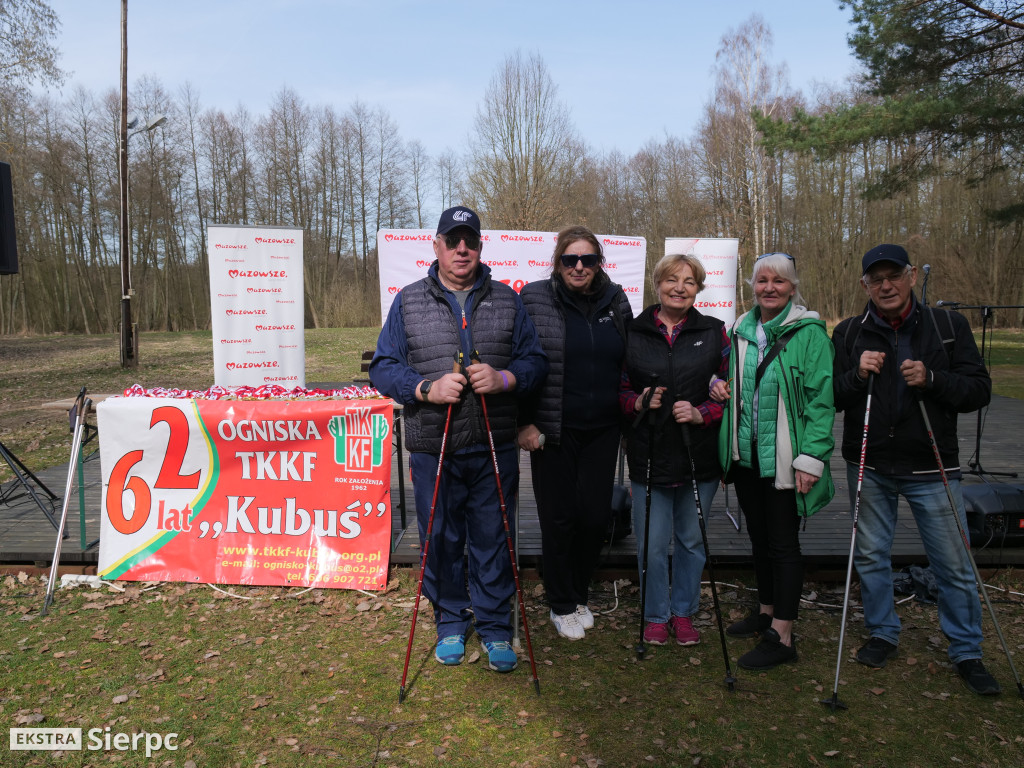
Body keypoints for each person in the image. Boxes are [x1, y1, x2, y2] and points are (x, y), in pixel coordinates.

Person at [369, 205, 547, 674]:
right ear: (437, 247)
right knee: (440, 537)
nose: (461, 248)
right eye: (453, 240)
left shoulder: (508, 300)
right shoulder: (408, 300)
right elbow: (383, 368)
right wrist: (425, 388)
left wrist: (505, 378)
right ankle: (450, 618)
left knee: (494, 537)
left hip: (494, 444)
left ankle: (493, 626)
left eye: (469, 240)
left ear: (481, 246)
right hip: (435, 446)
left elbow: (535, 363)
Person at [831, 243, 998, 695]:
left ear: (909, 277)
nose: (885, 286)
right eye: (875, 279)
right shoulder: (849, 333)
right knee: (870, 555)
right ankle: (883, 632)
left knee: (954, 561)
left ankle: (966, 649)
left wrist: (934, 379)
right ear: (865, 284)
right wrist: (856, 376)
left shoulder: (947, 326)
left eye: (893, 276)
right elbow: (832, 396)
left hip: (932, 465)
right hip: (869, 462)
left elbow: (979, 390)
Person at [719, 252, 835, 670]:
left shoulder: (809, 334)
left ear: (792, 287)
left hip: (786, 458)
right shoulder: (739, 330)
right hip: (747, 454)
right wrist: (719, 385)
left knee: (783, 544)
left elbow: (822, 403)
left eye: (779, 281)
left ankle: (783, 635)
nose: (770, 288)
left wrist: (811, 458)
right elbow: (733, 382)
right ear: (753, 286)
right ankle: (766, 611)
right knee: (759, 539)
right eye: (762, 280)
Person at [518, 226, 632, 641]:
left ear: (599, 262)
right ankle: (561, 602)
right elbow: (516, 362)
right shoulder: (533, 298)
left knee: (594, 516)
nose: (579, 266)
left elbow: (630, 362)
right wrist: (522, 424)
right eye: (570, 259)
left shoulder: (616, 300)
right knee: (559, 517)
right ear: (558, 262)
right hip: (552, 430)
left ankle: (579, 593)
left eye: (587, 259)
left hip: (603, 428)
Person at [621, 254, 730, 648]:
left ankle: (683, 612)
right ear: (657, 284)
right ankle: (654, 614)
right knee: (651, 541)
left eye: (689, 281)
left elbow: (730, 386)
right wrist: (637, 402)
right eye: (672, 279)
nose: (679, 287)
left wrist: (703, 412)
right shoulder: (631, 332)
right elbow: (618, 390)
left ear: (698, 288)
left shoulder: (716, 332)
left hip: (698, 455)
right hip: (649, 453)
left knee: (690, 539)